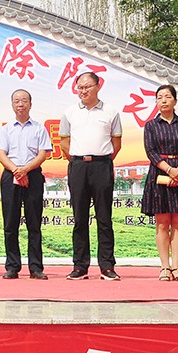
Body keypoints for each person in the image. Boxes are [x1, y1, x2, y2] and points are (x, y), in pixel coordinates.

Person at [59, 71, 123, 281]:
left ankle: (107, 266)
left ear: (98, 86)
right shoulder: (70, 112)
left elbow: (116, 143)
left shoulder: (111, 111)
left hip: (102, 166)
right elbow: (64, 142)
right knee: (79, 219)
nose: (83, 91)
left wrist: (101, 159)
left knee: (104, 218)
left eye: (87, 87)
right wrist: (77, 160)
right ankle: (80, 266)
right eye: (80, 87)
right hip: (78, 166)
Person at [141, 84, 178, 282]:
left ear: (175, 101)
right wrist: (169, 170)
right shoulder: (151, 125)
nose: (163, 100)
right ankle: (165, 267)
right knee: (162, 223)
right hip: (160, 174)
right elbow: (151, 151)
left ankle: (177, 267)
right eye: (159, 97)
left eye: (167, 97)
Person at [0, 89, 52, 280]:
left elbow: (42, 154)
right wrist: (17, 171)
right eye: (17, 101)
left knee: (34, 223)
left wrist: (25, 170)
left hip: (32, 175)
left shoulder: (39, 128)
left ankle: (36, 268)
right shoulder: (6, 129)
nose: (20, 104)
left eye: (24, 101)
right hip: (10, 175)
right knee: (10, 223)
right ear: (12, 105)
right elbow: (1, 154)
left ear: (30, 104)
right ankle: (12, 267)